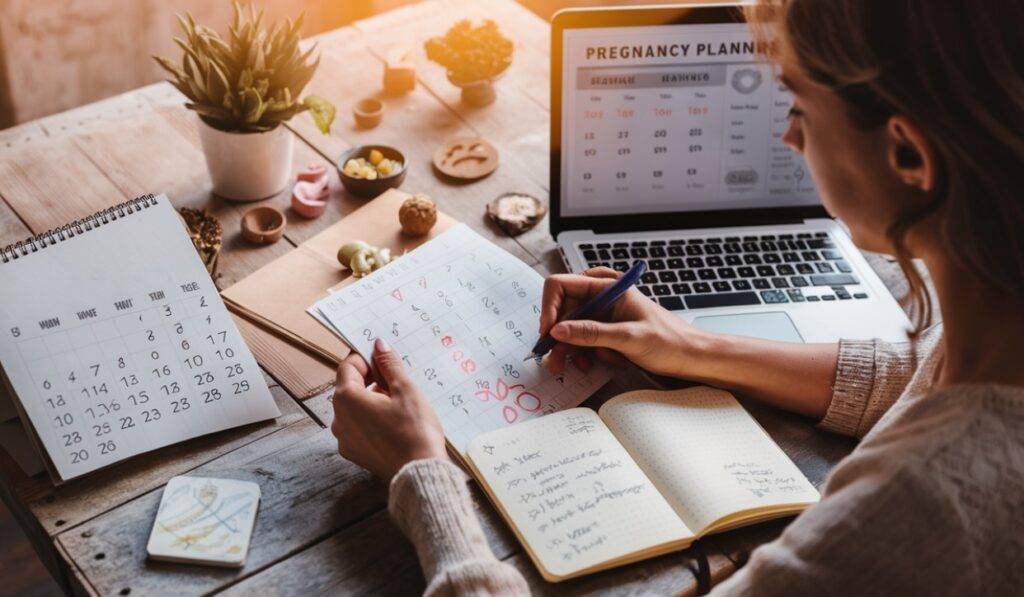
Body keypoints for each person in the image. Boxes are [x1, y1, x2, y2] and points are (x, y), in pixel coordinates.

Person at [329, 0, 1024, 593]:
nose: (786, 133)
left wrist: (421, 477)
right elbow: (917, 376)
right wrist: (692, 344)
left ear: (909, 155)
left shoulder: (909, 514)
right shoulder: (993, 304)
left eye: (800, 105)